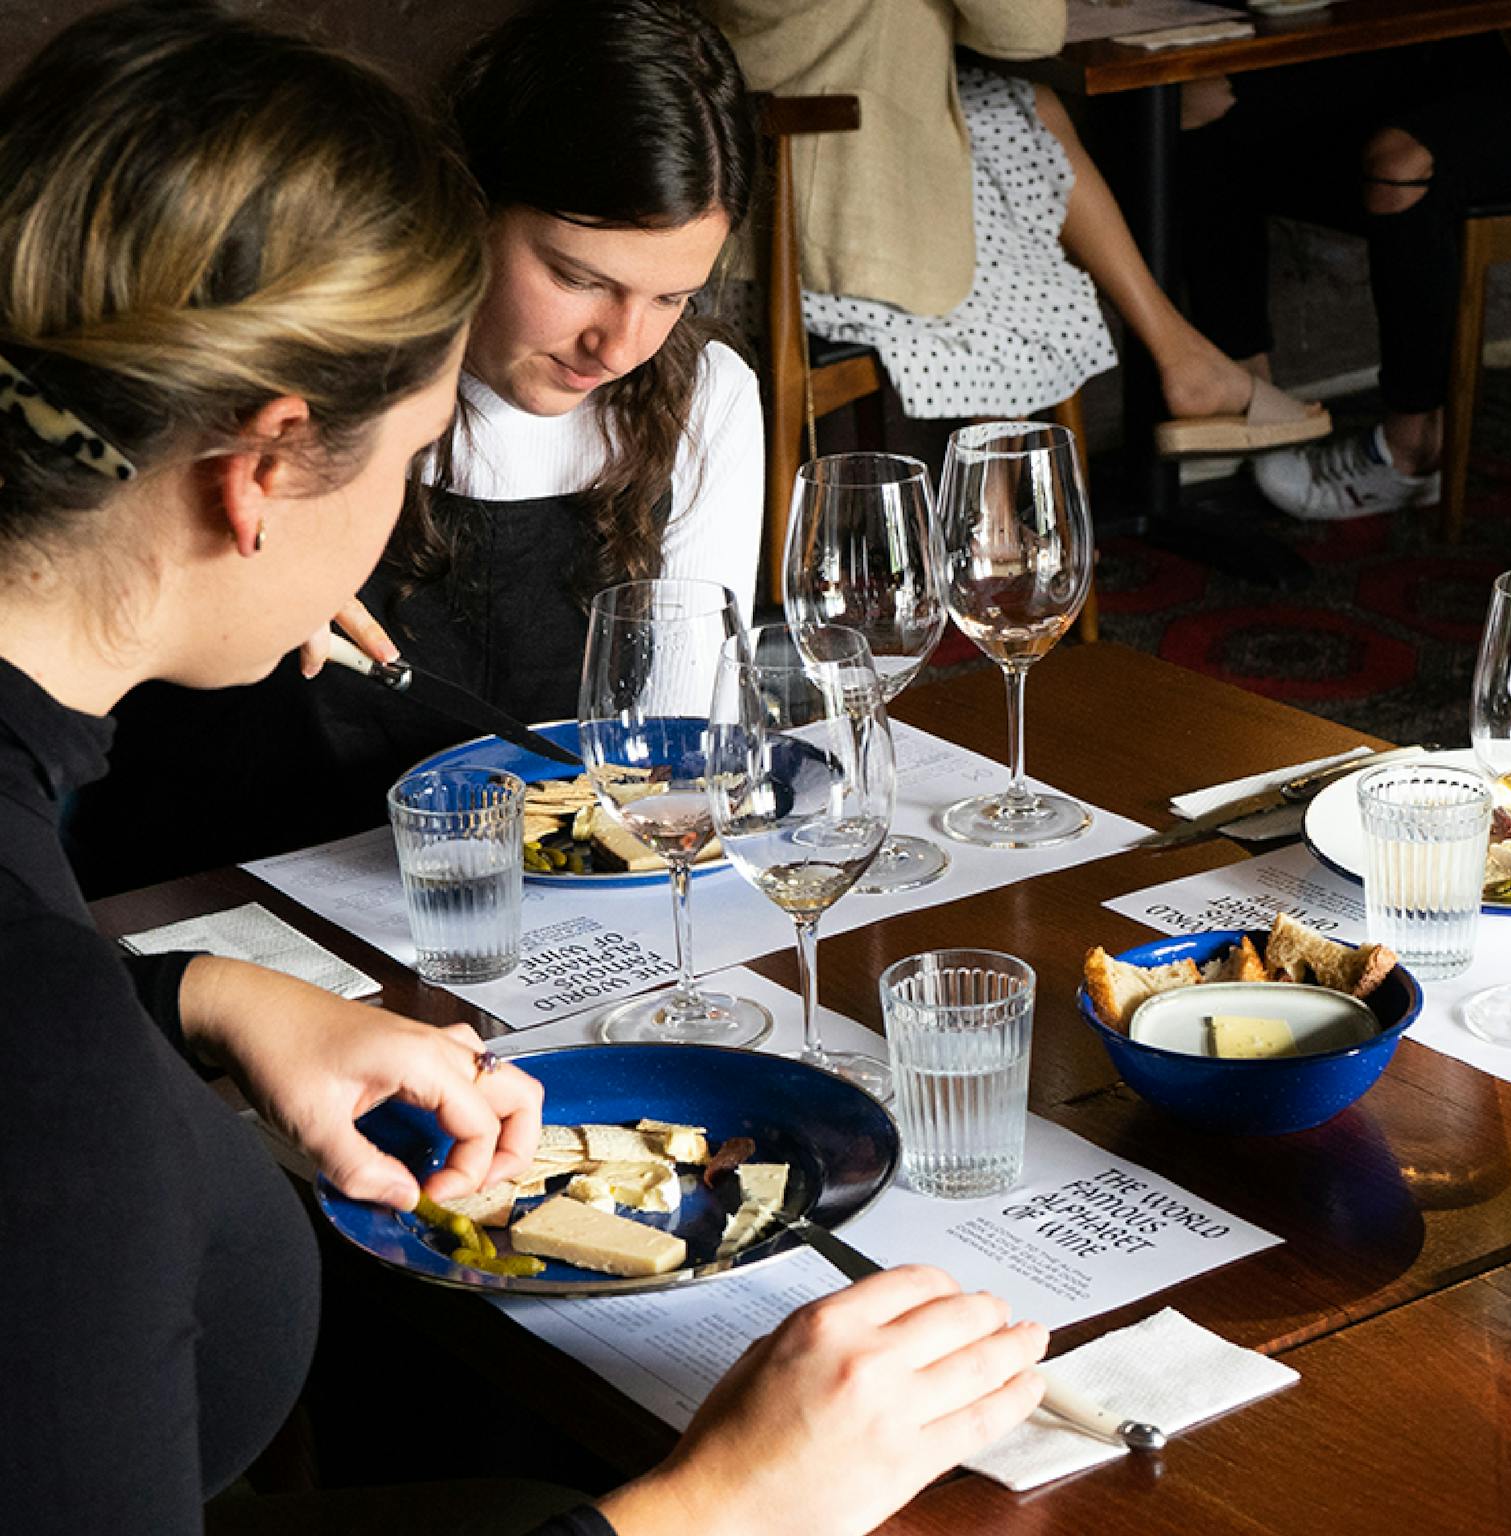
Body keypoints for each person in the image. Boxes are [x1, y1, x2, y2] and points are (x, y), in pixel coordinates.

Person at [0, 7, 1044, 1535]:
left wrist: (198, 1001)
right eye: (413, 438)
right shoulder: (53, 1073)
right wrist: (724, 1505)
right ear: (265, 477)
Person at [63, 0, 772, 890]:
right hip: (226, 885)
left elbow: (669, 768)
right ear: (466, 202)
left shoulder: (699, 400)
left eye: (671, 299)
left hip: (518, 910)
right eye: (578, 278)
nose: (621, 348)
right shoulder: (309, 364)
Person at [704, 0, 1329, 453]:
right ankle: (1008, 506)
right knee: (1025, 135)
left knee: (1028, 111)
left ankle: (1180, 359)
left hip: (731, 182)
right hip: (836, 214)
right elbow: (1027, 27)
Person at [1180, 2, 1511, 519]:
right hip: (1418, 45)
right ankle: (1248, 403)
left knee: (1401, 166)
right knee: (1205, 107)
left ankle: (1414, 448)